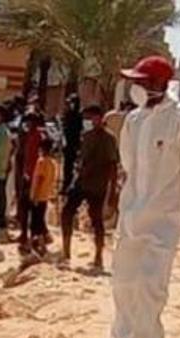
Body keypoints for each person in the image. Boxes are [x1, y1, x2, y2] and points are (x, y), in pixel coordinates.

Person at [111, 55, 180, 338]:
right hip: (132, 214)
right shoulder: (135, 120)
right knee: (124, 280)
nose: (136, 87)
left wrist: (175, 205)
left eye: (142, 81)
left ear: (160, 84)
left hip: (163, 221)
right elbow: (128, 164)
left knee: (150, 284)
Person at [60, 103, 118, 271]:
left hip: (97, 184)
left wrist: (112, 190)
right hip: (82, 181)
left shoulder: (109, 139)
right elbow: (81, 161)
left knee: (96, 220)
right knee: (67, 212)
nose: (90, 120)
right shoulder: (87, 136)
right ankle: (66, 251)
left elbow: (113, 165)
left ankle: (98, 256)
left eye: (92, 117)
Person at [14, 112, 44, 251]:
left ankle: (34, 237)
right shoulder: (28, 136)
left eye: (31, 121)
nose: (29, 124)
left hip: (35, 176)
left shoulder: (39, 137)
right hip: (27, 175)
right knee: (24, 206)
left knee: (34, 209)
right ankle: (24, 234)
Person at [28, 137, 59, 257]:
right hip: (45, 195)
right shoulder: (52, 163)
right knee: (39, 220)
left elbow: (40, 179)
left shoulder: (41, 162)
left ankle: (40, 244)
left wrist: (34, 196)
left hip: (38, 195)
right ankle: (38, 242)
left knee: (36, 221)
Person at [61, 93, 83, 194]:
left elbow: (78, 131)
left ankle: (70, 186)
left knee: (71, 167)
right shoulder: (68, 114)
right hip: (68, 144)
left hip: (73, 145)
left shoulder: (77, 116)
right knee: (66, 166)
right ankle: (66, 185)